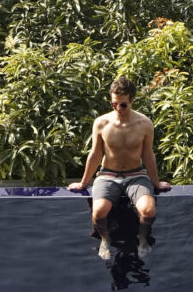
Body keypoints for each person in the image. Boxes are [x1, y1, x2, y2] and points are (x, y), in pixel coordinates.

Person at [67, 76, 171, 260]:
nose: (118, 108)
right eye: (114, 104)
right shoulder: (101, 123)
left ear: (132, 100)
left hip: (136, 174)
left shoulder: (144, 124)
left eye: (123, 105)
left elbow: (148, 155)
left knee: (148, 212)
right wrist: (83, 184)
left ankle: (142, 238)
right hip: (108, 175)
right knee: (98, 213)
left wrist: (156, 182)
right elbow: (95, 155)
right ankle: (105, 239)